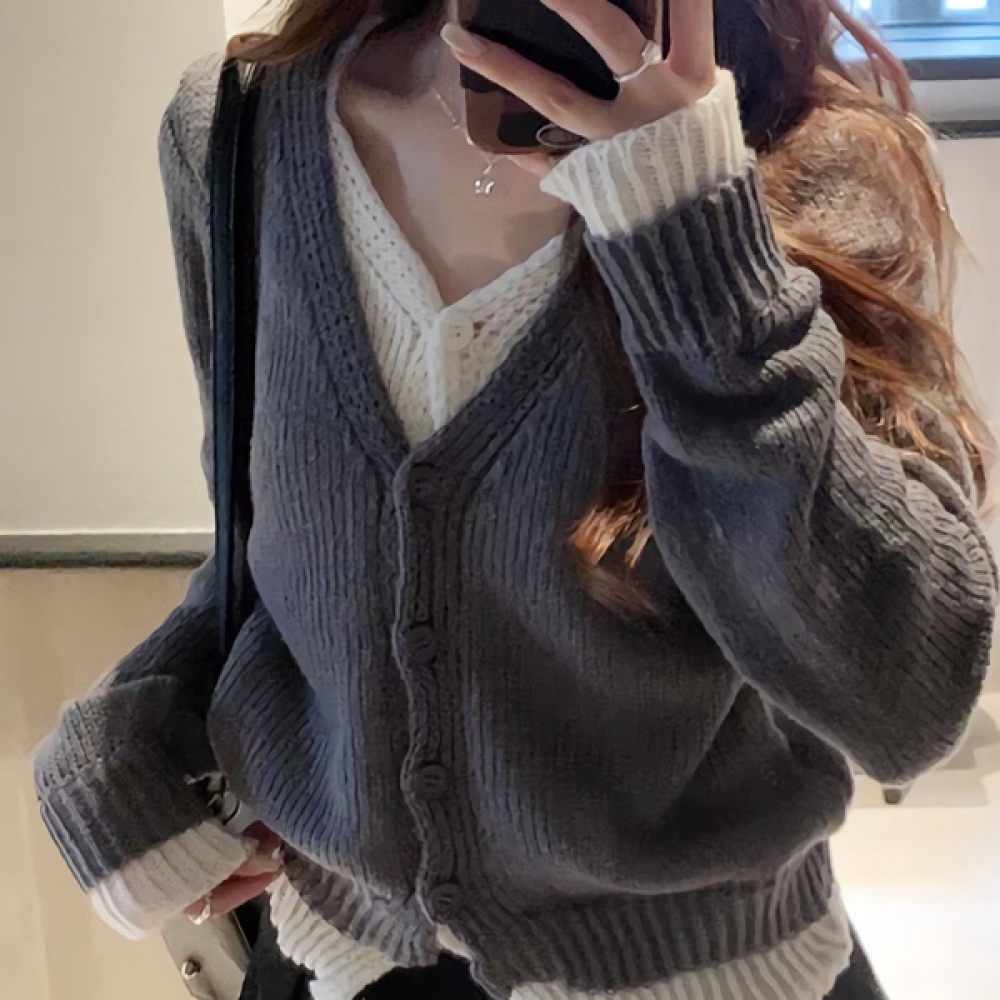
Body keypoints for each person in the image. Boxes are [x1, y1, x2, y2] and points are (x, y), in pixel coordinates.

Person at [35, 0, 997, 998]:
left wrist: (693, 228)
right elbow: (268, 549)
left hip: (706, 972)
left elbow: (905, 701)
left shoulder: (806, 148)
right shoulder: (240, 126)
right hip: (351, 964)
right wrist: (128, 752)